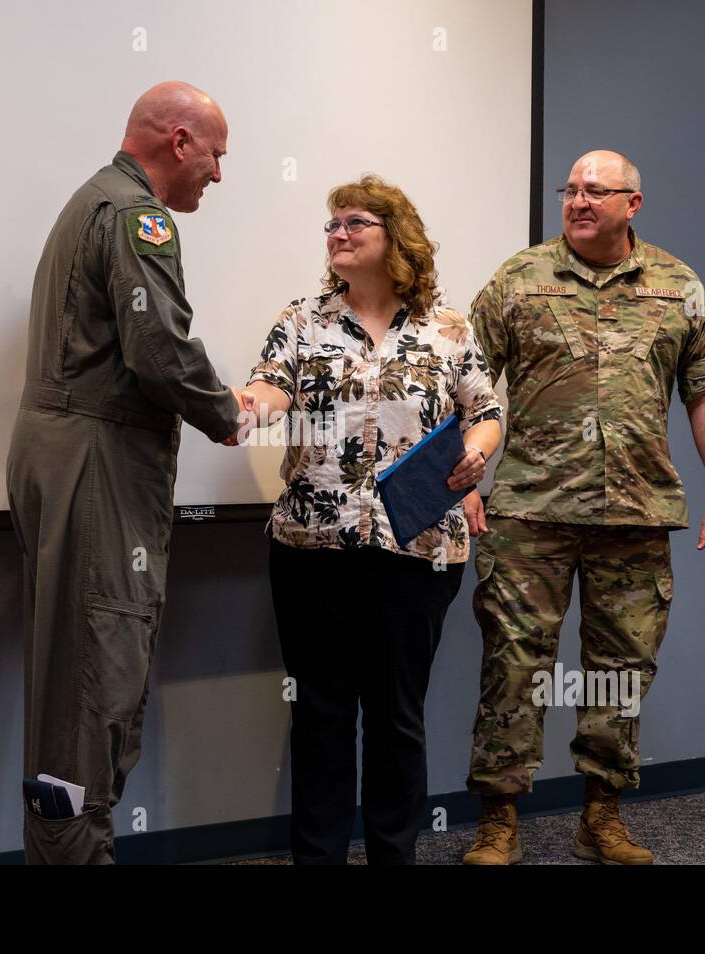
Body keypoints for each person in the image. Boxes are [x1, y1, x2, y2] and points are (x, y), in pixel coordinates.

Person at [461, 149, 705, 865]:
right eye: (571, 190)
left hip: (637, 512)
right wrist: (461, 480)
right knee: (514, 667)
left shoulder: (679, 285)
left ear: (631, 205)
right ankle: (499, 822)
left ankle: (601, 816)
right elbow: (462, 382)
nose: (579, 201)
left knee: (621, 669)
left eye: (596, 191)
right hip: (529, 509)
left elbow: (704, 390)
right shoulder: (518, 281)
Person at [6, 81, 253, 864]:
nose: (218, 173)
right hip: (97, 468)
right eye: (216, 154)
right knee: (94, 680)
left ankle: (63, 849)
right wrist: (230, 411)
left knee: (68, 677)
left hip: (70, 456)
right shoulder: (135, 216)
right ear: (179, 141)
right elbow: (160, 355)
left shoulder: (92, 202)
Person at [241, 174, 503, 864]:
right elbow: (270, 385)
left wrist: (475, 457)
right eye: (331, 225)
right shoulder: (302, 319)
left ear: (397, 237)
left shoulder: (447, 329)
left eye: (354, 222)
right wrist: (252, 405)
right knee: (321, 716)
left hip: (415, 545)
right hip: (312, 545)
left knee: (397, 717)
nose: (338, 234)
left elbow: (486, 413)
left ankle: (394, 855)